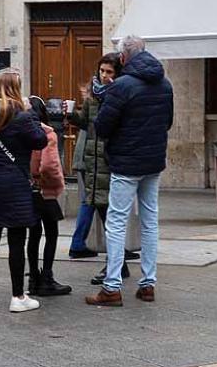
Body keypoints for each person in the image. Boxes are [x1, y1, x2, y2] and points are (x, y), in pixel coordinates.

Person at [86, 35, 173, 307]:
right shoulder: (165, 84)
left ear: (123, 57)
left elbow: (102, 127)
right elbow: (167, 122)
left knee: (116, 223)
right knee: (149, 221)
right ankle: (148, 284)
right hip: (153, 161)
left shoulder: (121, 86)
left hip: (126, 163)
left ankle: (111, 287)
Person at [0, 70, 47, 313]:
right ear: (17, 89)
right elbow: (40, 141)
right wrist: (30, 111)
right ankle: (18, 296)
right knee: (16, 239)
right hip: (15, 184)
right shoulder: (22, 116)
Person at [67, 54, 135, 284]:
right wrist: (69, 115)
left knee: (110, 219)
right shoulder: (94, 97)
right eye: (102, 71)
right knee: (107, 219)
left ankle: (115, 266)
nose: (105, 76)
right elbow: (86, 123)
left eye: (109, 72)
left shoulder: (119, 96)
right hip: (93, 164)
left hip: (109, 162)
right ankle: (119, 265)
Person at [26, 96, 71, 297]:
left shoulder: (21, 130)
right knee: (51, 233)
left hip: (27, 189)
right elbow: (50, 166)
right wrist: (54, 184)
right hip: (44, 190)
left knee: (33, 234)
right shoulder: (47, 134)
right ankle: (47, 278)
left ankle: (33, 278)